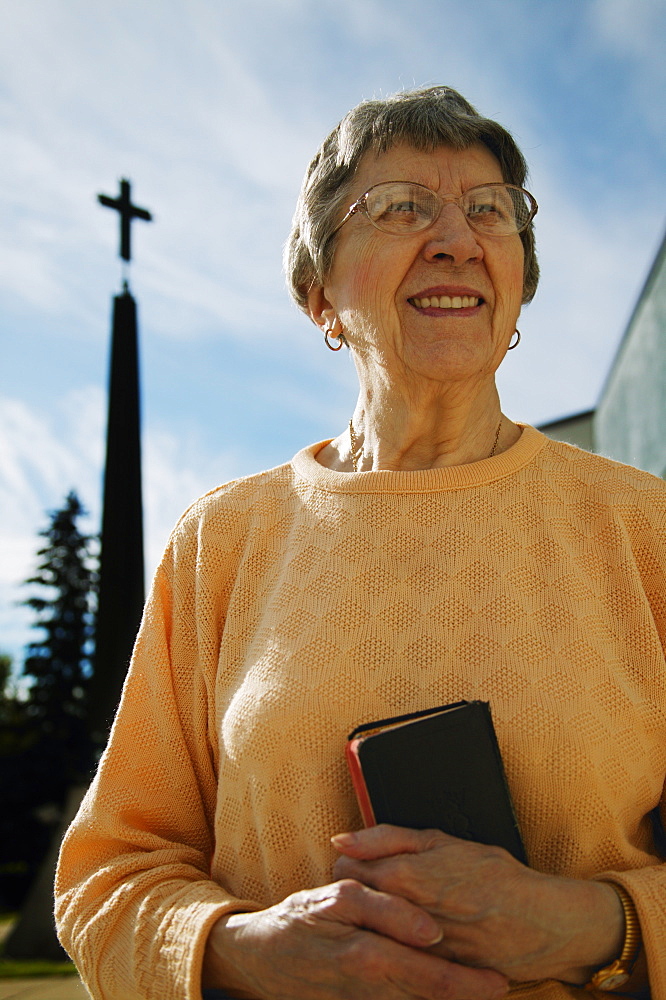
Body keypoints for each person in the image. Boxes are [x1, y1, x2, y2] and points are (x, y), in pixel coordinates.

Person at [55, 86, 665, 1000]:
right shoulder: (221, 541)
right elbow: (108, 876)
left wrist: (595, 927)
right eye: (402, 207)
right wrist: (240, 948)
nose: (457, 236)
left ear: (517, 278)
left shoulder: (643, 528)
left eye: (489, 209)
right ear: (319, 294)